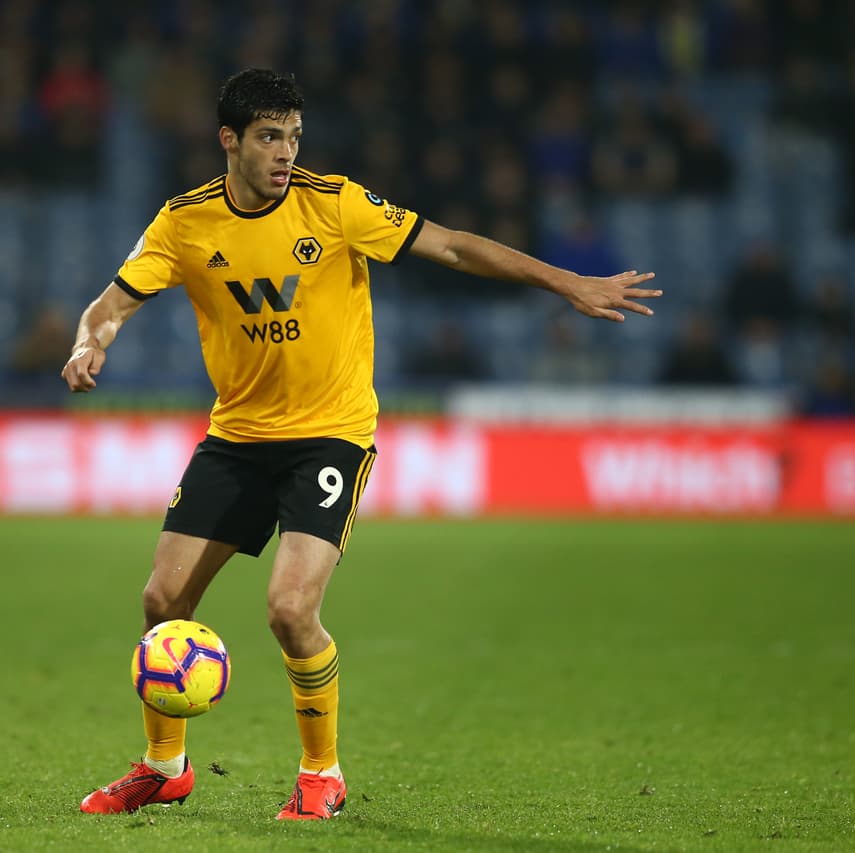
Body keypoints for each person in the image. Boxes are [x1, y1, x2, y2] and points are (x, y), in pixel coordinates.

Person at [61, 68, 660, 821]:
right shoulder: (185, 223)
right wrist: (92, 343)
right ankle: (164, 765)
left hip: (330, 436)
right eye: (270, 136)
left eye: (294, 136)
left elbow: (451, 247)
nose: (285, 152)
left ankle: (322, 772)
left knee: (288, 608)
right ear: (229, 140)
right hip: (239, 434)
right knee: (162, 599)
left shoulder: (336, 203)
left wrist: (564, 281)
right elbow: (112, 303)